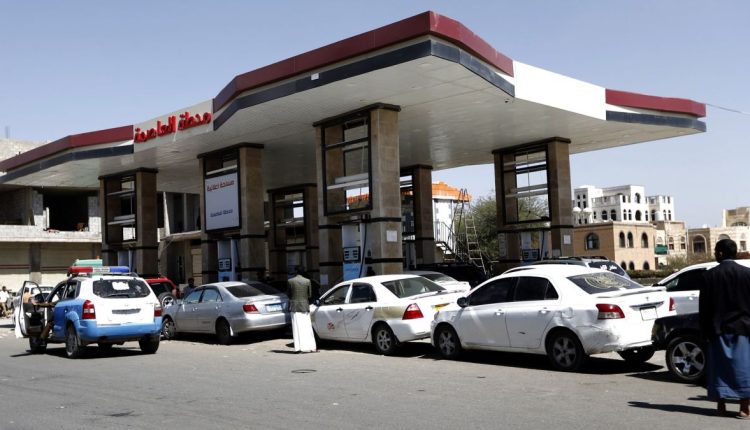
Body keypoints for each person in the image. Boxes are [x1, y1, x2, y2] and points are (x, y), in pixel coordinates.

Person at [700, 238, 750, 418]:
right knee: (743, 367)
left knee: (718, 368)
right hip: (743, 328)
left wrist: (704, 330)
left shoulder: (709, 276)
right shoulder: (747, 274)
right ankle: (744, 408)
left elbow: (704, 307)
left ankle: (721, 406)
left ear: (720, 253)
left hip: (717, 329)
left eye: (715, 251)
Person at [288, 266, 316, 353]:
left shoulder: (290, 281)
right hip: (304, 306)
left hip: (294, 306)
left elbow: (289, 294)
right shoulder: (307, 281)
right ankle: (311, 347)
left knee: (296, 328)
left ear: (296, 271)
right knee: (307, 327)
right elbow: (309, 295)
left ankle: (298, 348)